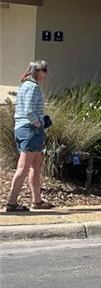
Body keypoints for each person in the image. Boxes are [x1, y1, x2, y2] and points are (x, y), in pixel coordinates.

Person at [6, 61, 53, 212]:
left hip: (22, 129)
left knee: (36, 165)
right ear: (37, 72)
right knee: (24, 167)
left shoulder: (24, 86)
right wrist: (39, 123)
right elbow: (28, 111)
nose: (46, 73)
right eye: (44, 70)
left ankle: (36, 201)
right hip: (30, 130)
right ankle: (12, 203)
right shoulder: (33, 87)